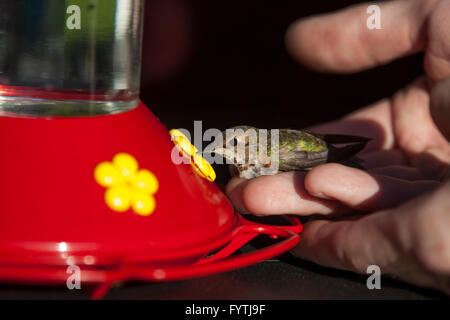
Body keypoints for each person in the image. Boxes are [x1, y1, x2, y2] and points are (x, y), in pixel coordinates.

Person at [225, 0, 450, 295]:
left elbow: (303, 154)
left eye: (235, 146)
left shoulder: (268, 156)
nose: (226, 150)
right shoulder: (245, 162)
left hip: (312, 155)